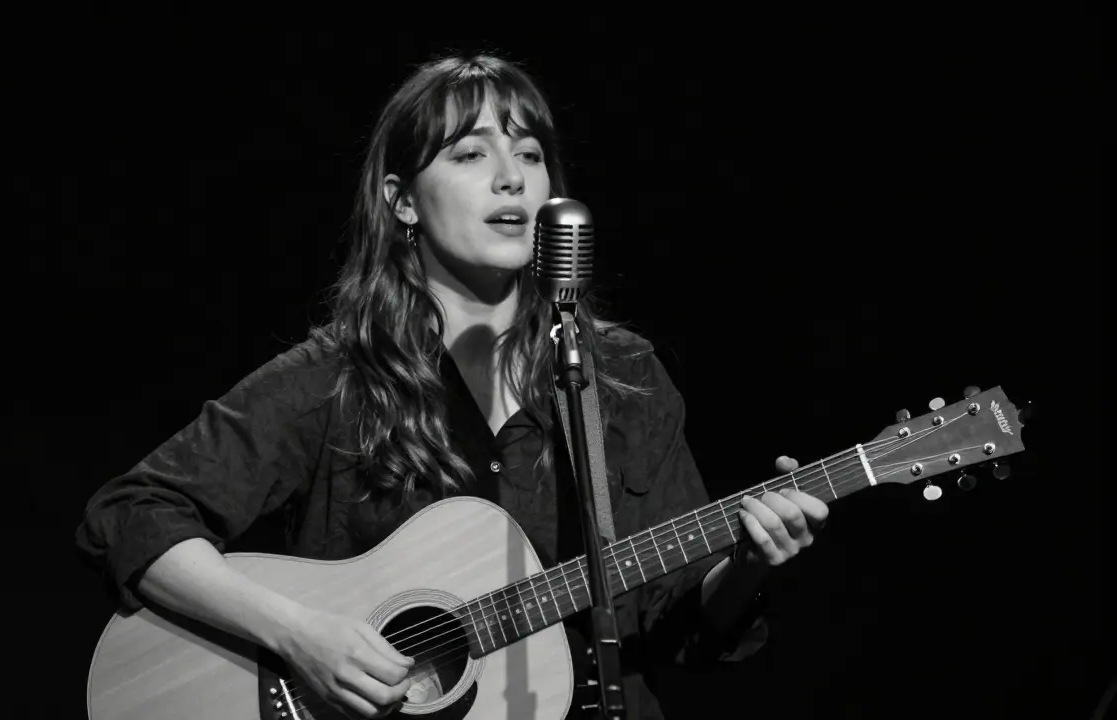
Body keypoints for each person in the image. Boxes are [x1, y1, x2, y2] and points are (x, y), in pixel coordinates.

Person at [75, 54, 829, 719]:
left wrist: (749, 564)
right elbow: (134, 514)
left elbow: (681, 627)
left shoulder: (622, 379)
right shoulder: (338, 376)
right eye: (471, 154)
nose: (512, 175)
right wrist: (300, 635)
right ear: (403, 202)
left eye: (530, 154)